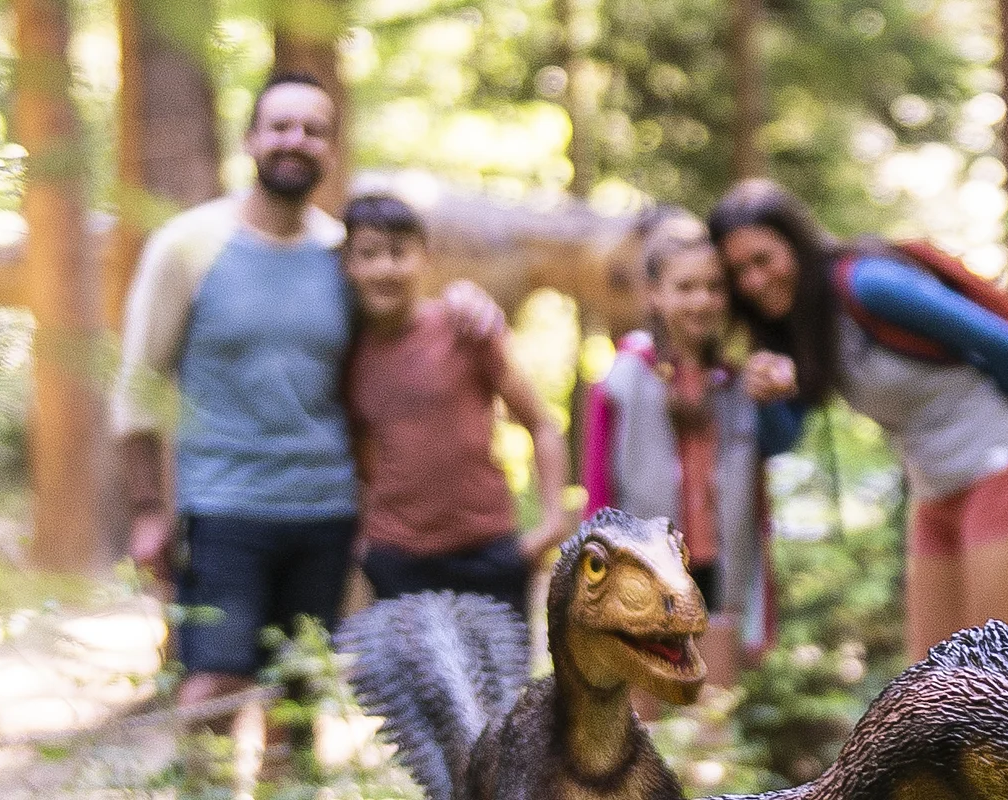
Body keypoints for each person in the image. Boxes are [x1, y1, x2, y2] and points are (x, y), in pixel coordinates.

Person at [108, 73, 502, 725]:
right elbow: (137, 382)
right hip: (222, 508)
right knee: (212, 690)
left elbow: (398, 330)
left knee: (301, 699)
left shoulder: (339, 253)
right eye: (282, 127)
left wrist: (466, 302)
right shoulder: (187, 246)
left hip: (326, 510)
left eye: (314, 130)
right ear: (251, 139)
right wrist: (147, 509)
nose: (296, 141)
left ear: (331, 149)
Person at [702, 179, 1008, 659]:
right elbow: (783, 439)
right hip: (936, 491)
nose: (753, 281)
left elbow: (1004, 344)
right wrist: (767, 397)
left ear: (797, 245)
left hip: (1006, 468)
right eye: (737, 272)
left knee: (1007, 676)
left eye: (763, 260)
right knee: (933, 686)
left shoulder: (866, 284)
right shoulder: (795, 330)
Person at [582, 211, 792, 687]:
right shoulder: (622, 380)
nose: (702, 301)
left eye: (714, 288)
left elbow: (758, 505)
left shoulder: (740, 385)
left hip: (719, 571)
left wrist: (766, 608)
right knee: (644, 722)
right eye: (686, 288)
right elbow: (598, 493)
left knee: (713, 718)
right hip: (641, 574)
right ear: (655, 295)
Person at [339, 194, 572, 611]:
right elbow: (358, 458)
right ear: (348, 266)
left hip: (487, 553)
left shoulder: (464, 326)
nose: (385, 269)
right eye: (369, 255)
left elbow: (539, 423)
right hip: (397, 562)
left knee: (502, 678)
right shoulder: (346, 351)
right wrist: (363, 543)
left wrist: (552, 523)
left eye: (398, 253)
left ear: (426, 258)